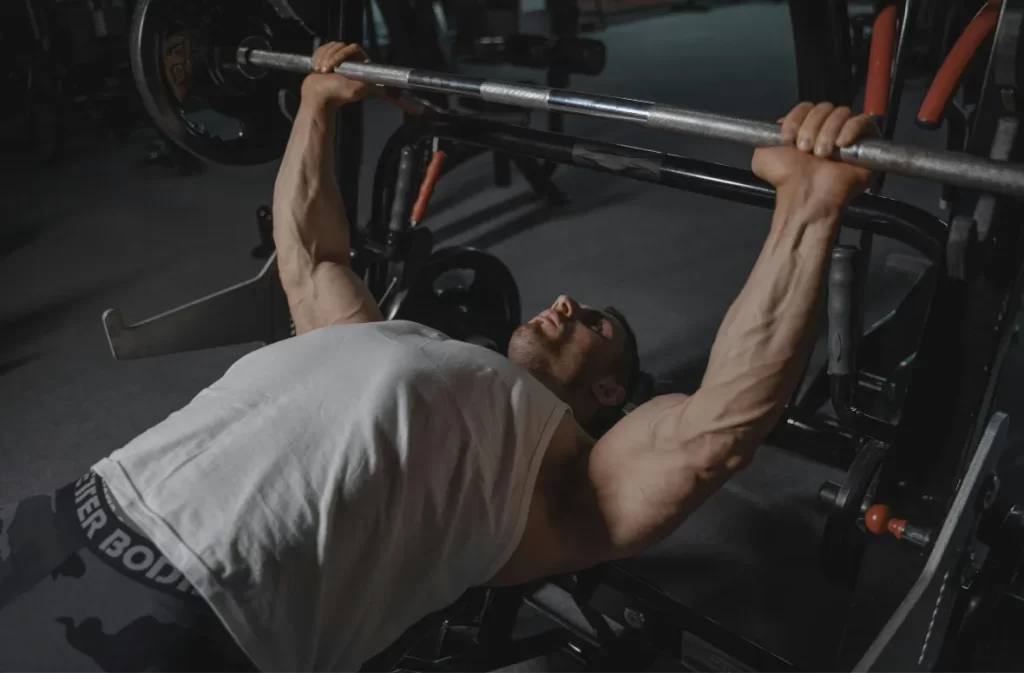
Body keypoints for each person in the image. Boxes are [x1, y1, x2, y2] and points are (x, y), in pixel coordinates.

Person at [0, 41, 878, 672]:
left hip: (198, 614)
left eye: (596, 323)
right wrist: (316, 105)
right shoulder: (376, 335)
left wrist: (806, 208)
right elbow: (311, 257)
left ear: (609, 390)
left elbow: (716, 431)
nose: (566, 302)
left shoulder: (559, 484)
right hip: (73, 510)